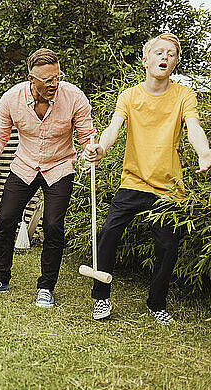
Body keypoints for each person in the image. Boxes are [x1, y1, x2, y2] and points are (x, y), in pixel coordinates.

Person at [84, 33, 211, 324]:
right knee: (107, 234)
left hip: (169, 186)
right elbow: (112, 129)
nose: (164, 57)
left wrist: (204, 152)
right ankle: (101, 298)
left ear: (176, 62)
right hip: (133, 181)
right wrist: (100, 148)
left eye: (171, 54)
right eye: (159, 52)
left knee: (167, 246)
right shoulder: (129, 96)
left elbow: (193, 127)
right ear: (145, 60)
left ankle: (157, 303)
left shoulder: (183, 95)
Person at [0, 48, 96, 307]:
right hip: (24, 165)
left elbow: (87, 135)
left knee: (53, 226)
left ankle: (46, 287)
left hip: (60, 166)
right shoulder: (11, 99)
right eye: (47, 80)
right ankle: (0, 278)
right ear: (31, 79)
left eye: (57, 77)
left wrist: (90, 152)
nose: (54, 84)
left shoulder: (74, 97)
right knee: (5, 219)